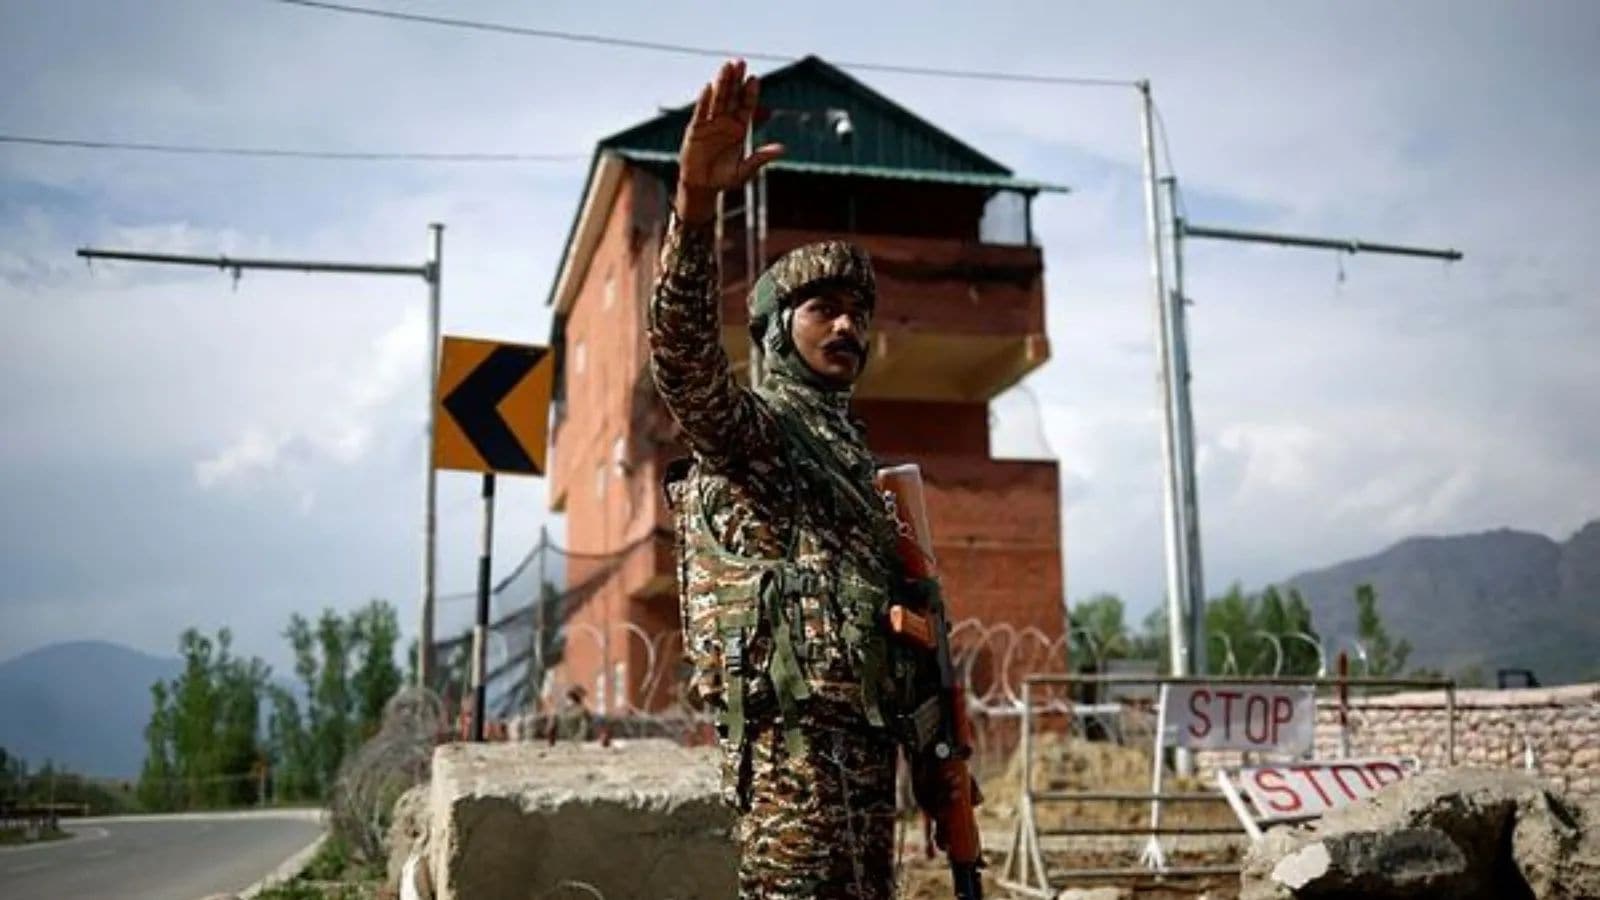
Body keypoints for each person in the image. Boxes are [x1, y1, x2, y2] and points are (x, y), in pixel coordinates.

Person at [653, 59, 907, 899]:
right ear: (773, 330)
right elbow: (684, 360)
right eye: (823, 309)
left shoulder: (853, 457)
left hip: (867, 744)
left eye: (858, 312)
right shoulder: (756, 433)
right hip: (790, 746)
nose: (847, 325)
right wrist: (695, 207)